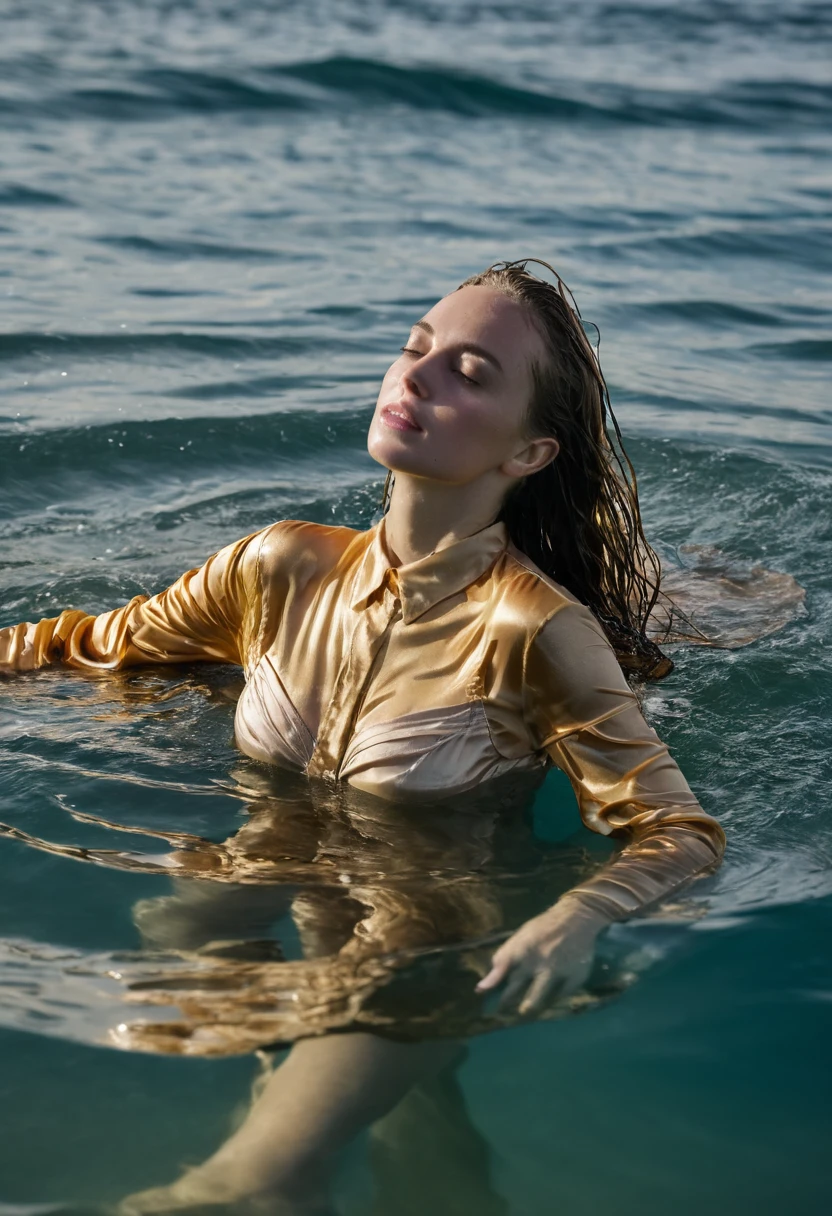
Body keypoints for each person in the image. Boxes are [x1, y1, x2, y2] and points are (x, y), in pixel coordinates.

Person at [0, 260, 725, 1211]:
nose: (414, 378)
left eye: (469, 374)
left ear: (529, 454)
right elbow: (87, 647)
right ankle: (366, 1125)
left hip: (431, 923)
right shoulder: (279, 566)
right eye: (414, 348)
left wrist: (575, 913)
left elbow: (681, 834)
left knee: (263, 1157)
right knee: (183, 919)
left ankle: (274, 1167)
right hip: (260, 858)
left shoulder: (536, 631)